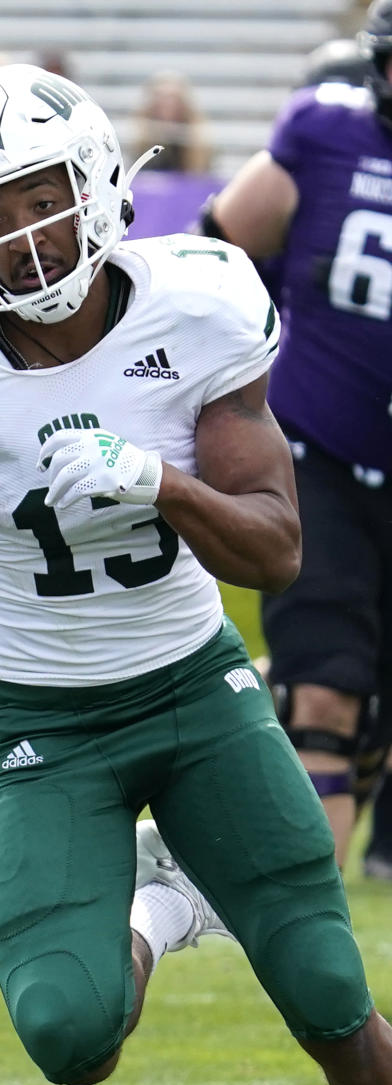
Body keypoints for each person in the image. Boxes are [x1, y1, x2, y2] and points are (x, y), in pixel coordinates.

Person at [0, 63, 392, 1085]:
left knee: (329, 986)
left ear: (97, 185)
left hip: (194, 691)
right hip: (43, 717)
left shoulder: (197, 301)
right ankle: (162, 901)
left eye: (41, 197)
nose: (25, 237)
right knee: (68, 1033)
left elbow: (278, 549)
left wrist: (160, 485)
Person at [201, 0, 392, 875]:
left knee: (366, 700)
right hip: (322, 451)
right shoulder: (324, 132)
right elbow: (219, 250)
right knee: (323, 688)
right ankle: (325, 925)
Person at [130, 70, 212, 174]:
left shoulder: (197, 143)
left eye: (172, 98)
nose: (167, 104)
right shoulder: (142, 139)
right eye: (162, 98)